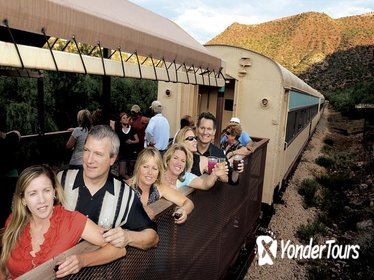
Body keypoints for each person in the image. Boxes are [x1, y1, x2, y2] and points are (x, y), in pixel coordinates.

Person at [57, 125, 159, 270]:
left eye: (98, 154)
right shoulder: (61, 181)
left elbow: (153, 237)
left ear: (112, 159)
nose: (89, 160)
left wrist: (128, 236)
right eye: (86, 150)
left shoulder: (125, 195)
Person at [0, 165, 124, 279]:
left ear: (54, 192)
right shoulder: (13, 221)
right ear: (23, 200)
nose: (41, 200)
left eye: (46, 190)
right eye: (33, 194)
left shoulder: (70, 220)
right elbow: (4, 268)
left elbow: (118, 249)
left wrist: (82, 260)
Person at [126, 147, 194, 224]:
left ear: (159, 171)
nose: (150, 172)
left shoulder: (159, 188)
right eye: (145, 167)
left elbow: (188, 202)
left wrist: (183, 210)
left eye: (154, 168)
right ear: (138, 167)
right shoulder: (126, 187)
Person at [163, 143, 230, 191]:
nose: (179, 163)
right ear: (168, 160)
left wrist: (214, 174)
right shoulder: (158, 176)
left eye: (183, 161)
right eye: (175, 158)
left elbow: (204, 184)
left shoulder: (185, 177)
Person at [0, 129, 21, 227]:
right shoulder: (10, 139)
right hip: (11, 177)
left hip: (5, 179)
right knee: (7, 206)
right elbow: (17, 134)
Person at [112, 110, 139, 180]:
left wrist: (131, 142)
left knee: (131, 172)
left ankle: (132, 185)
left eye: (127, 117)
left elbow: (137, 140)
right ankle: (132, 184)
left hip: (131, 153)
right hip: (122, 154)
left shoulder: (132, 129)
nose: (126, 119)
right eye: (124, 118)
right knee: (122, 172)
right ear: (120, 121)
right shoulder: (118, 129)